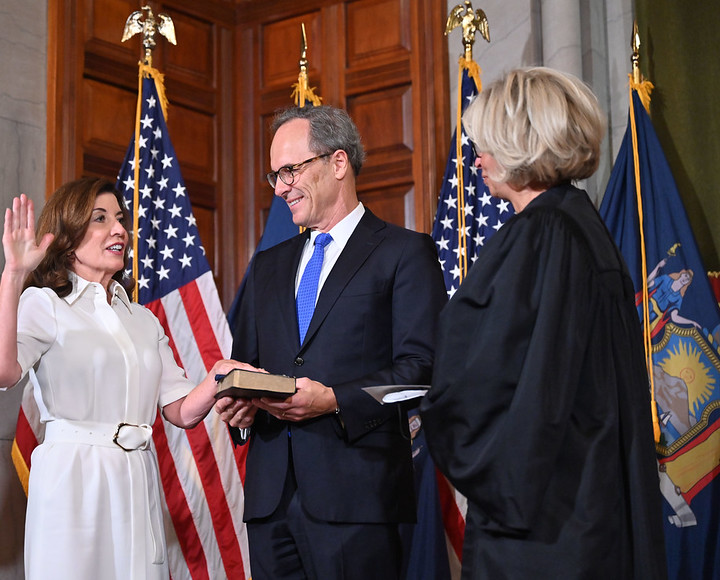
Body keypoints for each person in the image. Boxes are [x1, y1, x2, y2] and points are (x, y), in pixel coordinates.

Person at [419, 67, 667, 578]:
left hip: (546, 524)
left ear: (520, 145)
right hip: (591, 504)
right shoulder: (579, 223)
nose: (478, 159)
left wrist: (435, 403)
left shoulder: (541, 236)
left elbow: (495, 379)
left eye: (486, 145)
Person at [0, 177, 255, 580]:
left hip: (137, 475)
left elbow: (180, 410)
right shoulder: (44, 304)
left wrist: (218, 377)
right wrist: (14, 275)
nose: (119, 230)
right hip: (72, 477)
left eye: (120, 219)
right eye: (100, 219)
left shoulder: (142, 319)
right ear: (68, 239)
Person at [216, 105, 447, 579]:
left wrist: (336, 399)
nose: (280, 187)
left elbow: (422, 372)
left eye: (290, 170)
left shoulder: (404, 253)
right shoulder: (268, 266)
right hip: (271, 503)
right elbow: (249, 367)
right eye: (274, 175)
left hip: (359, 499)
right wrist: (240, 406)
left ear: (338, 162)